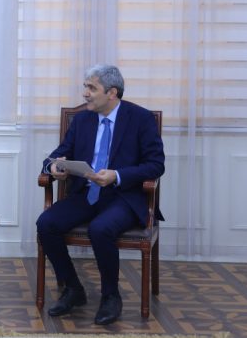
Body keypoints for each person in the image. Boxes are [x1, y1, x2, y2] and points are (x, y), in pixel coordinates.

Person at [36, 64, 165, 325]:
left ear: (112, 93)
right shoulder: (82, 120)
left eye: (91, 88)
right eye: (85, 87)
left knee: (101, 228)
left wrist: (117, 175)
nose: (85, 93)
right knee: (46, 223)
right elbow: (56, 155)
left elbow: (156, 165)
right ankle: (73, 289)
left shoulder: (140, 119)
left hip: (123, 196)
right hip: (86, 193)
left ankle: (110, 296)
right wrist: (55, 167)